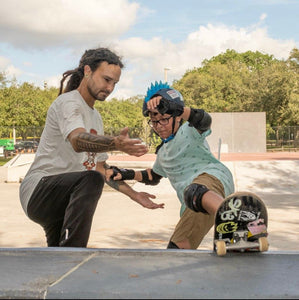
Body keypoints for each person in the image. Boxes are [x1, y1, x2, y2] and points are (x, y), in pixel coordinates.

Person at [19, 48, 164, 248]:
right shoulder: (68, 103)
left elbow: (101, 170)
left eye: (115, 83)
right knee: (89, 180)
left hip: (64, 200)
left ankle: (66, 260)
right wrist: (114, 143)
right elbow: (78, 141)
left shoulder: (95, 117)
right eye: (106, 79)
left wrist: (135, 195)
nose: (110, 87)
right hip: (39, 190)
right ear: (87, 71)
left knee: (58, 261)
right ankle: (75, 251)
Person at [106, 81, 235, 250]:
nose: (159, 126)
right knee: (177, 249)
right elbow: (153, 176)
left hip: (213, 179)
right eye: (154, 122)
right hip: (193, 203)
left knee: (194, 190)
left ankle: (236, 220)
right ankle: (241, 232)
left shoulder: (189, 130)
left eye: (164, 119)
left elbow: (204, 121)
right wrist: (125, 173)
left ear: (177, 117)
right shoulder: (163, 152)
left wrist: (178, 109)